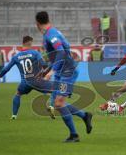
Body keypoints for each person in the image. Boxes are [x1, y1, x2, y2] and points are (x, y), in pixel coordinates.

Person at [35, 11, 93, 142]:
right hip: (62, 71)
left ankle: (74, 135)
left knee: (59, 103)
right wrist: (47, 70)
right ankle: (84, 116)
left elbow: (61, 51)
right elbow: (56, 55)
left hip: (67, 72)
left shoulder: (51, 34)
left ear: (37, 23)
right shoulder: (51, 32)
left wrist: (52, 71)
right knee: (57, 104)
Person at [0, 36, 51, 119]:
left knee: (18, 94)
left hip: (25, 82)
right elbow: (44, 65)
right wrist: (48, 71)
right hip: (36, 80)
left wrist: (0, 75)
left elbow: (6, 69)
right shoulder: (35, 53)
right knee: (52, 91)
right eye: (31, 43)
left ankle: (14, 115)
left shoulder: (16, 56)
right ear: (29, 42)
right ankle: (50, 108)